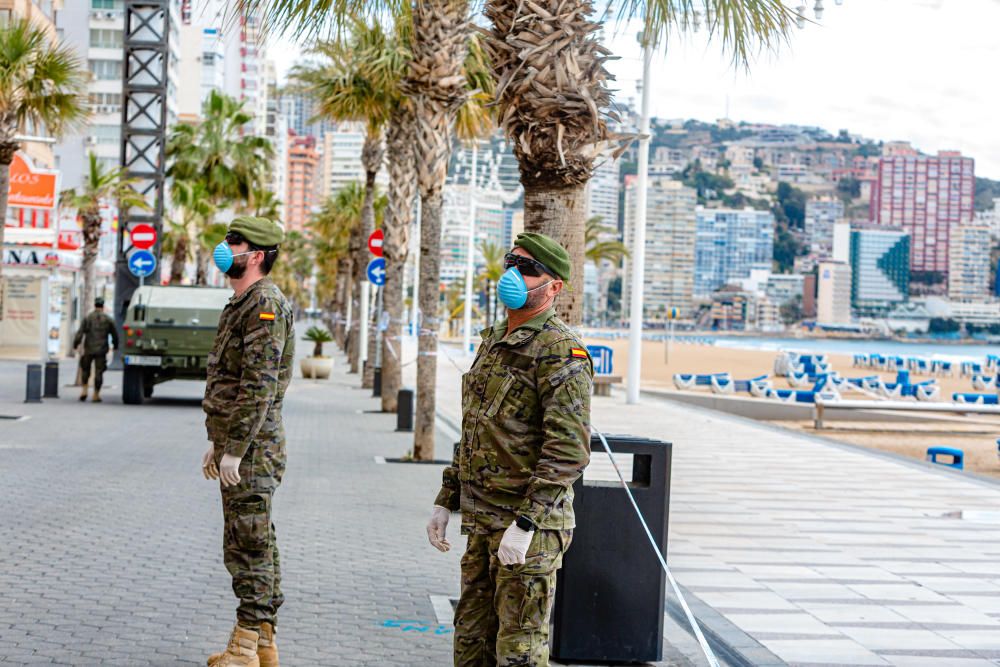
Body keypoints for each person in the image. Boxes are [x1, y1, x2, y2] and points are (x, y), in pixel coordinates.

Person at [426, 232, 593, 666]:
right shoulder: (496, 339)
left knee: (518, 650)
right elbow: (477, 429)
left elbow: (569, 451)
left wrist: (526, 523)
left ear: (553, 287)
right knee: (471, 643)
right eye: (511, 263)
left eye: (528, 269)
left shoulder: (560, 350)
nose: (513, 274)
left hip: (528, 529)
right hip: (483, 520)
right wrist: (447, 499)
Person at [201, 216, 294, 667]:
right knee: (254, 540)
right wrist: (219, 444)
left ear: (255, 255)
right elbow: (231, 385)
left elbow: (258, 385)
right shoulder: (241, 302)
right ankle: (263, 643)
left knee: (248, 545)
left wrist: (235, 449)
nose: (225, 247)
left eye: (234, 242)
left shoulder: (264, 304)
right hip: (240, 446)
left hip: (253, 451)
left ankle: (244, 645)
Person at [73, 296, 119, 403]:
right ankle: (96, 394)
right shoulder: (108, 320)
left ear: (95, 305)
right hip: (101, 350)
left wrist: (76, 344)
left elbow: (80, 332)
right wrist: (115, 345)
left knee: (85, 369)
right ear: (103, 306)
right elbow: (115, 334)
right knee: (99, 372)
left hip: (89, 348)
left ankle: (84, 390)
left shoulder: (88, 318)